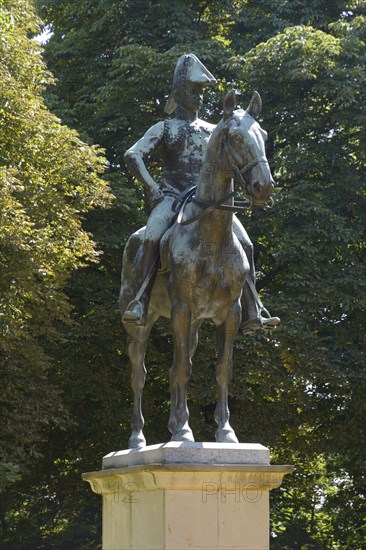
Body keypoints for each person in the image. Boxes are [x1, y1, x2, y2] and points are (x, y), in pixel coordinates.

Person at [122, 53, 279, 332]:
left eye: (202, 91)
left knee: (246, 244)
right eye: (194, 90)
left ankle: (253, 309)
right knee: (152, 236)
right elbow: (133, 155)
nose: (200, 96)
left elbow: (232, 160)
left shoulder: (214, 129)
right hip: (171, 199)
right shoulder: (166, 127)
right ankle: (140, 301)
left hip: (207, 201)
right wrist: (152, 187)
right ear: (180, 91)